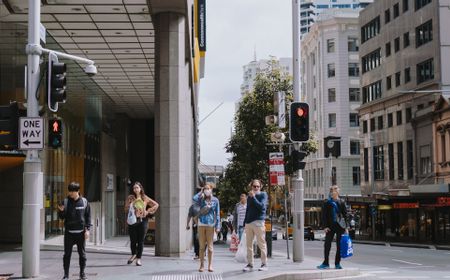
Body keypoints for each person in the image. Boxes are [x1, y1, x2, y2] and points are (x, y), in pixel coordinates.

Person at [57, 182, 91, 280]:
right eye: (70, 191)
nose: (70, 193)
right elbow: (62, 218)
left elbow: (88, 216)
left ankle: (82, 274)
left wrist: (87, 230)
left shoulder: (84, 202)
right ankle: (66, 275)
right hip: (69, 234)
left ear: (78, 191)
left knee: (82, 255)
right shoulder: (66, 201)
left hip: (80, 233)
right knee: (67, 255)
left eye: (72, 191)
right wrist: (61, 211)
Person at [124, 181, 159, 266]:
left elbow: (156, 205)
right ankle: (133, 254)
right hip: (132, 221)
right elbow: (125, 209)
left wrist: (148, 211)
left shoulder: (144, 198)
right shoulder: (130, 198)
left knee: (140, 241)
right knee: (133, 240)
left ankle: (139, 259)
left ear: (140, 189)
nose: (135, 189)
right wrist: (130, 206)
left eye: (137, 187)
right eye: (134, 188)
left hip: (142, 221)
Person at [317, 185, 348, 270]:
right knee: (327, 245)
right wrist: (325, 226)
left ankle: (337, 263)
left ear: (338, 191)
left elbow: (345, 215)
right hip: (330, 227)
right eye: (331, 190)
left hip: (340, 227)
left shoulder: (342, 202)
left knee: (339, 246)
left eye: (335, 189)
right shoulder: (327, 202)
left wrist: (346, 228)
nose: (333, 191)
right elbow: (324, 216)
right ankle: (325, 263)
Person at [193, 183, 220, 272]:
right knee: (201, 247)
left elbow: (217, 213)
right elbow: (194, 198)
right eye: (205, 189)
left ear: (211, 189)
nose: (206, 190)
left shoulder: (215, 200)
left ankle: (210, 265)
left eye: (208, 188)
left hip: (211, 224)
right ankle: (201, 265)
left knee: (210, 247)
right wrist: (200, 192)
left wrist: (217, 226)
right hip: (201, 224)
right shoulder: (201, 199)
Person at [242, 179, 268, 272]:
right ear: (251, 187)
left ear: (260, 187)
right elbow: (248, 210)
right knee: (249, 245)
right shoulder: (249, 197)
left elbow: (261, 207)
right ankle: (250, 264)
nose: (256, 188)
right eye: (254, 186)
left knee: (262, 244)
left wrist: (253, 197)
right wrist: (245, 222)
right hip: (249, 223)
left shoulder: (263, 195)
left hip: (259, 223)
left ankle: (264, 264)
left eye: (258, 186)